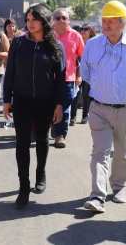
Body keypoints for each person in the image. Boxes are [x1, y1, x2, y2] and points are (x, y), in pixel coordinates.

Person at [81, 0, 126, 213]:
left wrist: (123, 90)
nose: (106, 24)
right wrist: (104, 88)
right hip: (99, 108)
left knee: (122, 152)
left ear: (123, 23)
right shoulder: (92, 45)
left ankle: (119, 187)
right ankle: (97, 196)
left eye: (112, 21)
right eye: (104, 20)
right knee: (100, 152)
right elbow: (85, 73)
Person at [2, 4, 66, 209]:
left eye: (34, 19)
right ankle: (23, 187)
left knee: (41, 139)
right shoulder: (19, 43)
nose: (30, 24)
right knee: (21, 144)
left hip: (45, 102)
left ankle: (40, 173)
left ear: (44, 21)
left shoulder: (55, 46)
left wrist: (59, 104)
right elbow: (10, 72)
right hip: (21, 101)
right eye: (28, 20)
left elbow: (61, 79)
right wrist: (6, 100)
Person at [51, 8, 84, 148]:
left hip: (68, 78)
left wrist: (79, 75)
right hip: (48, 78)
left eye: (64, 18)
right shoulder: (47, 35)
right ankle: (48, 128)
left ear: (69, 20)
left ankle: (60, 136)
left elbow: (82, 58)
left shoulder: (76, 36)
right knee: (48, 105)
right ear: (53, 20)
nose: (61, 20)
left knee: (64, 107)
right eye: (57, 18)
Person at [71, 24, 96, 124]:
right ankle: (72, 117)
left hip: (89, 72)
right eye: (82, 29)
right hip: (77, 72)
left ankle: (85, 116)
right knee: (75, 94)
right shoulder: (77, 41)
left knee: (86, 95)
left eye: (86, 29)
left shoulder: (94, 43)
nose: (83, 31)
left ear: (91, 31)